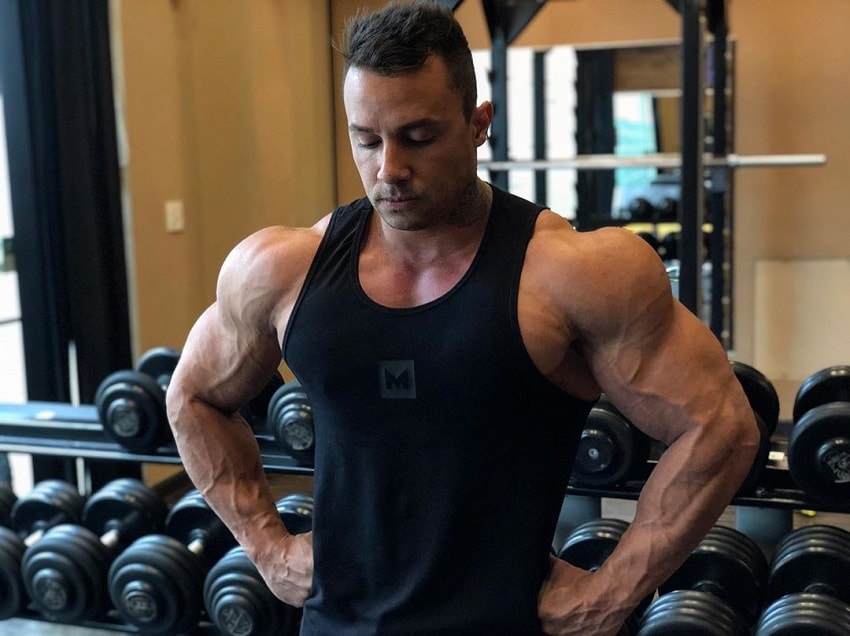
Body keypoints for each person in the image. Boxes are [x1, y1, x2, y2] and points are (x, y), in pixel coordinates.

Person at [165, 2, 760, 634]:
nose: (389, 169)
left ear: (479, 124)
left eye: (419, 137)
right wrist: (267, 546)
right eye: (366, 139)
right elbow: (192, 397)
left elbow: (720, 426)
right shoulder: (282, 271)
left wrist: (612, 593)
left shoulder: (570, 273)